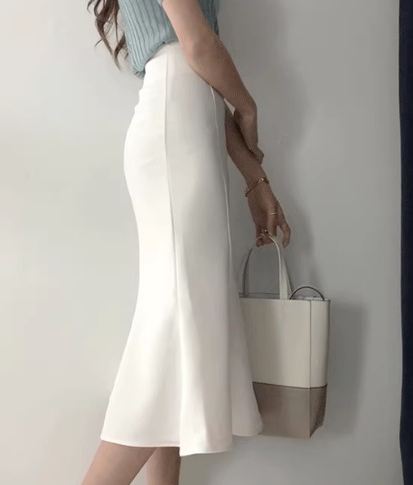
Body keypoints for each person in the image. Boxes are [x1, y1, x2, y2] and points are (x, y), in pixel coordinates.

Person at [82, 0, 291, 484]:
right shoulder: (182, 65)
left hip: (187, 125)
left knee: (180, 339)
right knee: (173, 331)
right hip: (176, 133)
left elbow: (199, 73)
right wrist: (249, 105)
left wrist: (255, 179)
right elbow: (196, 46)